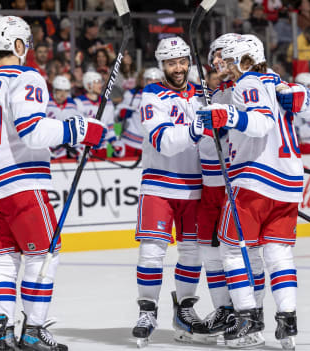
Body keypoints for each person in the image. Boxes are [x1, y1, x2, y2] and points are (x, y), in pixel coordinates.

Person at [0, 16, 106, 351]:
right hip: (18, 182)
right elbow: (32, 131)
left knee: (2, 261)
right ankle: (33, 332)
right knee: (45, 254)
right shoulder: (26, 76)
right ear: (18, 45)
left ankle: (2, 334)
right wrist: (80, 131)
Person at [198, 35, 310, 349]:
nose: (223, 66)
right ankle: (287, 322)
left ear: (242, 58)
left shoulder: (247, 83)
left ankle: (248, 317)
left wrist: (227, 116)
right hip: (288, 181)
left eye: (227, 59)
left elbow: (260, 124)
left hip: (253, 179)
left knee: (232, 249)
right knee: (278, 253)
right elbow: (308, 107)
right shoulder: (275, 80)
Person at [131, 36, 210, 346]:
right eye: (171, 63)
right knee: (152, 253)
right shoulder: (151, 96)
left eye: (182, 61)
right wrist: (196, 128)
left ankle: (185, 309)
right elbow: (163, 140)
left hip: (195, 186)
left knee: (192, 252)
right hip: (159, 185)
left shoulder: (202, 94)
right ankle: (147, 311)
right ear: (161, 65)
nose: (178, 68)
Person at [114, 67, 164, 157]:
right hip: (129, 143)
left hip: (152, 147)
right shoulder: (131, 95)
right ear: (144, 81)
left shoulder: (167, 99)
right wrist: (121, 113)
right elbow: (116, 115)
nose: (152, 83)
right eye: (149, 80)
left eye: (156, 80)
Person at [74, 71, 122, 158]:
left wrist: (114, 143)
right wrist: (79, 147)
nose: (100, 85)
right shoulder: (79, 102)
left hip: (102, 148)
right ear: (88, 85)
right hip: (85, 149)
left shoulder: (107, 103)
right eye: (96, 82)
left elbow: (109, 127)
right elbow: (77, 129)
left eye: (100, 82)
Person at [46, 75, 80, 159]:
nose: (63, 94)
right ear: (54, 89)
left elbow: (76, 127)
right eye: (59, 90)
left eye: (66, 91)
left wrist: (77, 148)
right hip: (46, 150)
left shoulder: (72, 104)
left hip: (63, 151)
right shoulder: (45, 102)